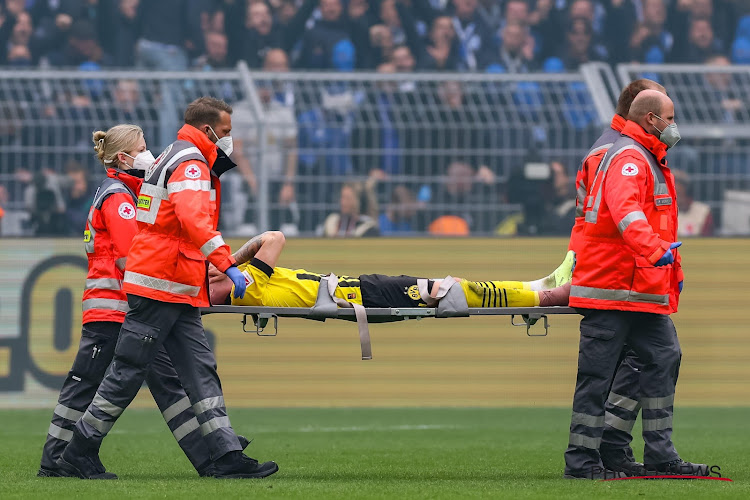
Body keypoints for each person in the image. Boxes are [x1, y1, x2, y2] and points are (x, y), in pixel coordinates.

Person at [55, 98, 278, 480]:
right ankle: (79, 449)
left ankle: (225, 456)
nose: (229, 140)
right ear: (208, 129)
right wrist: (225, 263)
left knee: (199, 370)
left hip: (174, 284)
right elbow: (192, 219)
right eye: (225, 133)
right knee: (127, 374)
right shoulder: (189, 162)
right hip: (160, 284)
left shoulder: (175, 156)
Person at [565, 90, 706, 479]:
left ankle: (659, 454)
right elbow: (625, 210)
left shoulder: (644, 156)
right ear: (650, 119)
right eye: (670, 117)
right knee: (597, 378)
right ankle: (581, 463)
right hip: (613, 288)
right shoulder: (630, 158)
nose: (674, 125)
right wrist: (653, 249)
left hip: (639, 289)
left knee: (664, 357)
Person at [207, 231, 575, 311]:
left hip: (354, 289)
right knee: (452, 292)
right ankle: (545, 295)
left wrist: (226, 264)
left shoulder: (247, 280)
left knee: (454, 286)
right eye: (211, 277)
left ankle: (536, 287)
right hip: (358, 296)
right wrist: (232, 261)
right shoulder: (246, 285)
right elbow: (273, 238)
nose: (216, 271)